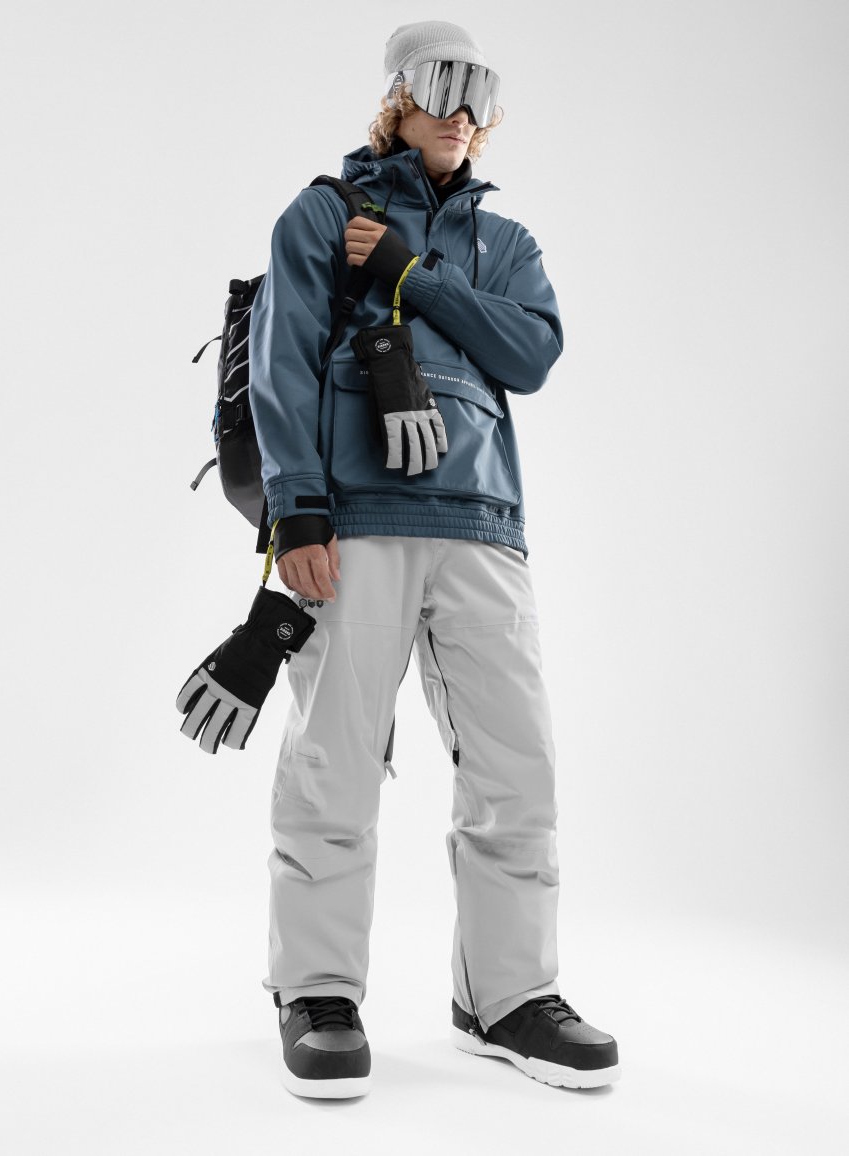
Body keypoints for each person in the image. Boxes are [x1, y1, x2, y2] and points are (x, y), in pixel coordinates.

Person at [248, 20, 620, 1099]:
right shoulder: (324, 215)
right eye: (439, 88)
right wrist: (297, 513)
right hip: (355, 522)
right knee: (336, 760)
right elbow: (282, 358)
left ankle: (507, 997)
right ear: (398, 97)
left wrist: (415, 275)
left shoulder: (507, 242)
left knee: (517, 766)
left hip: (484, 526)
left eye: (477, 96)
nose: (458, 113)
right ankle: (316, 990)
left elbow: (531, 354)